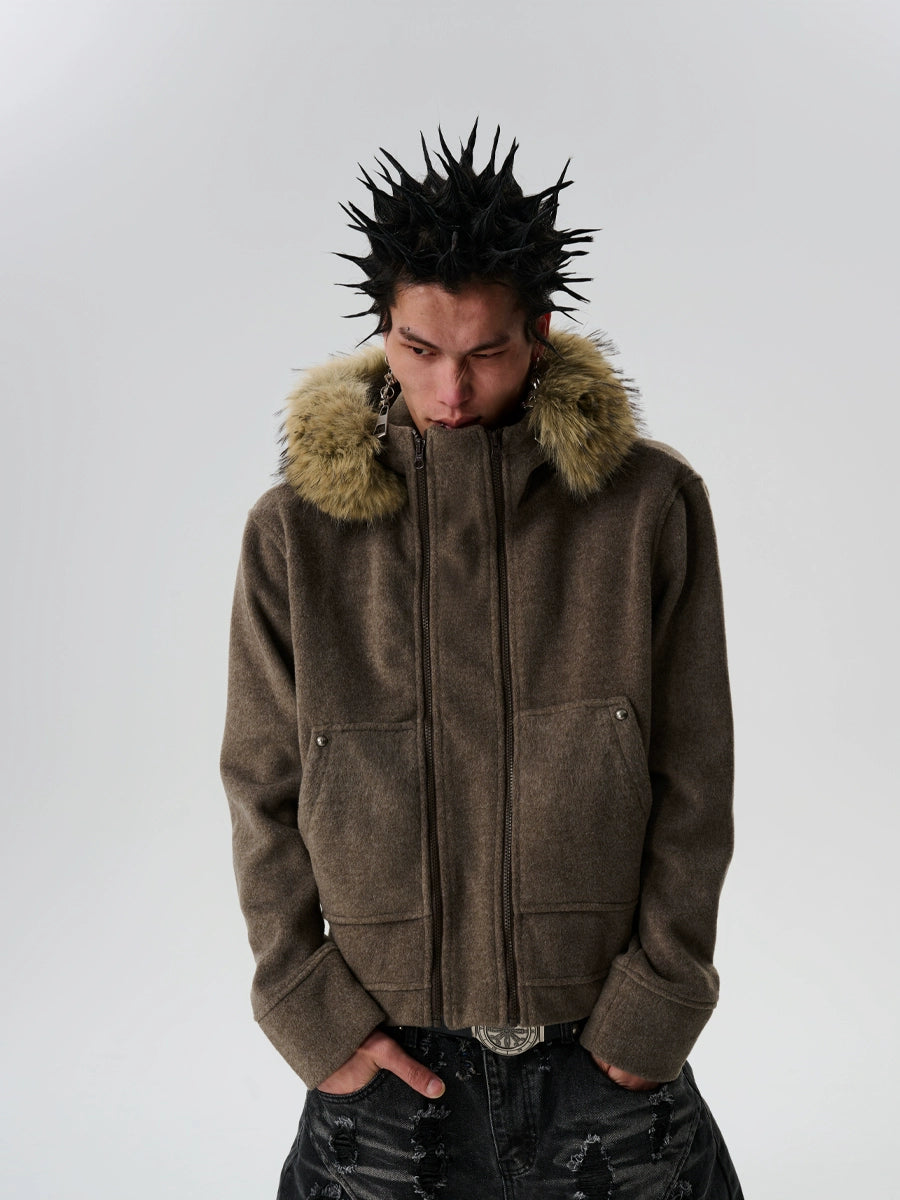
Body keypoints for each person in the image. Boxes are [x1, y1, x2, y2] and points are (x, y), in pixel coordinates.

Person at [220, 123, 744, 1199]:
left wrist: (658, 1002)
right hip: (383, 1071)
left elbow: (696, 776)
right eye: (420, 350)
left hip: (606, 1060)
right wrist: (310, 1013)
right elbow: (260, 787)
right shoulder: (295, 533)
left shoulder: (648, 508)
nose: (450, 391)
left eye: (485, 353)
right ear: (383, 329)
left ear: (540, 334)